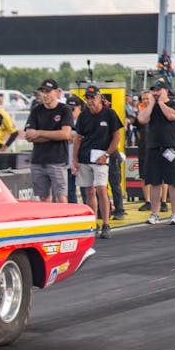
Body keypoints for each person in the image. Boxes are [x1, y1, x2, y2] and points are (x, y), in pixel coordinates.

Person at [71, 85, 123, 239]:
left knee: (101, 189)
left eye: (92, 97)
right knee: (89, 191)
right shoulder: (83, 116)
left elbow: (117, 137)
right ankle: (93, 223)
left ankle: (106, 223)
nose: (90, 101)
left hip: (101, 157)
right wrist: (75, 159)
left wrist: (106, 154)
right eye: (87, 98)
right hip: (85, 156)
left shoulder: (109, 114)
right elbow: (78, 138)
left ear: (100, 98)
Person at [23, 78, 73, 202]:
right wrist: (54, 135)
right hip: (38, 160)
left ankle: (64, 216)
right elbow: (29, 136)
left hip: (57, 161)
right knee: (43, 198)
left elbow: (65, 134)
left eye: (48, 92)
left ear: (57, 92)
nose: (45, 95)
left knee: (61, 196)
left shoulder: (64, 109)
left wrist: (39, 133)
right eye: (43, 92)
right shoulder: (36, 110)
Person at [138, 77, 175, 225]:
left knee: (173, 182)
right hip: (154, 147)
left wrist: (161, 102)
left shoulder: (173, 104)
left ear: (165, 90)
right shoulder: (151, 106)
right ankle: (154, 213)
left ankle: (174, 214)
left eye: (158, 90)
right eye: (154, 91)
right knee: (154, 181)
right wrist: (152, 103)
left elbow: (172, 116)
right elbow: (142, 119)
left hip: (170, 147)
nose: (155, 93)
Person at [65, 94, 86, 204]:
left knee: (86, 190)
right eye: (68, 109)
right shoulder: (64, 121)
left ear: (79, 108)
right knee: (70, 191)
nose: (71, 112)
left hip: (82, 160)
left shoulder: (84, 120)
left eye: (73, 109)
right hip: (67, 160)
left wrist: (75, 137)